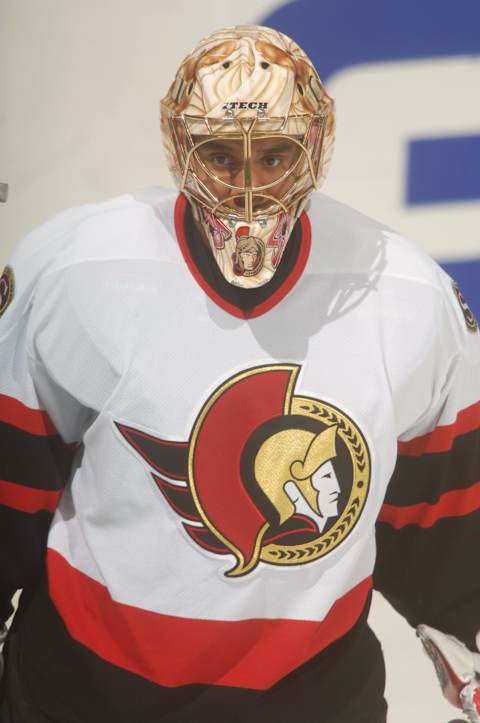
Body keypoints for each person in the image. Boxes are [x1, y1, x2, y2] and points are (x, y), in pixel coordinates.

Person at [0, 23, 479, 723]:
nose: (249, 190)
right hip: (79, 695)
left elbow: (448, 535)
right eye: (222, 155)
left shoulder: (409, 298)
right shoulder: (76, 273)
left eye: (276, 154)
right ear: (179, 149)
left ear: (315, 149)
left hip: (315, 702)